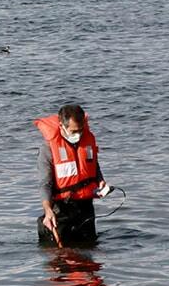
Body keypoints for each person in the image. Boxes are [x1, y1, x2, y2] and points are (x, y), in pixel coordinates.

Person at [35, 104, 113, 246]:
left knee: (89, 251)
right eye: (74, 131)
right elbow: (45, 184)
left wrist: (100, 181)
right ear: (61, 125)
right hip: (61, 209)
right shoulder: (47, 149)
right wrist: (47, 211)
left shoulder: (88, 139)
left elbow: (93, 165)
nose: (79, 135)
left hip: (86, 207)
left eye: (81, 130)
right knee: (61, 257)